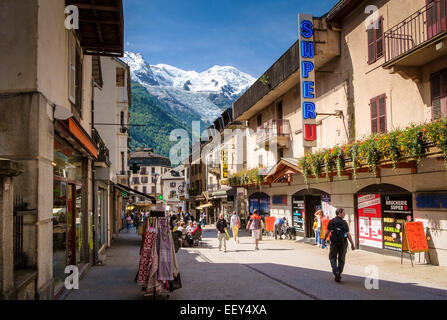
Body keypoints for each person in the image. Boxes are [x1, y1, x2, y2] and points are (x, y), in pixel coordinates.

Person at [322, 208, 355, 283]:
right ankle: (339, 274)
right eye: (343, 213)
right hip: (343, 243)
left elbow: (327, 232)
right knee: (341, 259)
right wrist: (352, 244)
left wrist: (324, 240)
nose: (345, 214)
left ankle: (336, 272)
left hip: (334, 243)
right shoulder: (344, 223)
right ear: (339, 213)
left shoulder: (331, 221)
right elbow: (348, 234)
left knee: (332, 257)